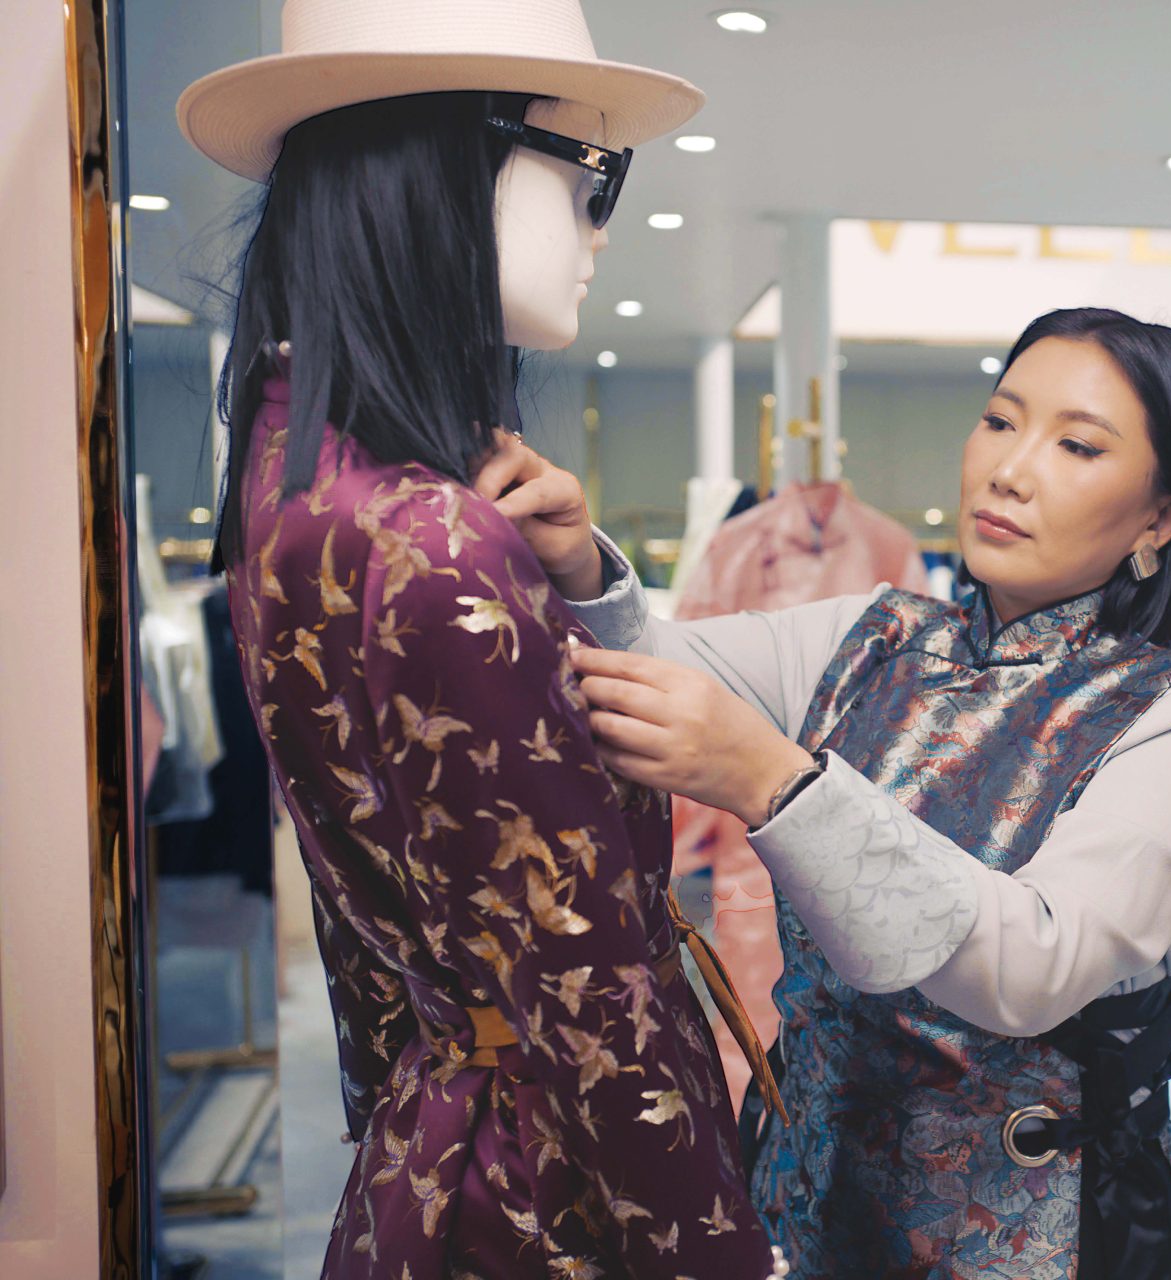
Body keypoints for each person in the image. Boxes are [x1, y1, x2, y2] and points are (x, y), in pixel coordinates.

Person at [177, 2, 787, 1276]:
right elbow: (595, 990)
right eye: (591, 177)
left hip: (445, 1142)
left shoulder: (296, 487)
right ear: (454, 166)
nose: (600, 232)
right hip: (545, 1192)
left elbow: (373, 941)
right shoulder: (435, 538)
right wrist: (723, 1254)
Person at [494, 307, 1171, 1280]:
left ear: (1161, 515)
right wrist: (581, 567)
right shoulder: (877, 635)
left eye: (1075, 444)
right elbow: (657, 665)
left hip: (1038, 1235)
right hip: (805, 1203)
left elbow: (1033, 964)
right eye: (1000, 420)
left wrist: (769, 778)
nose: (1010, 468)